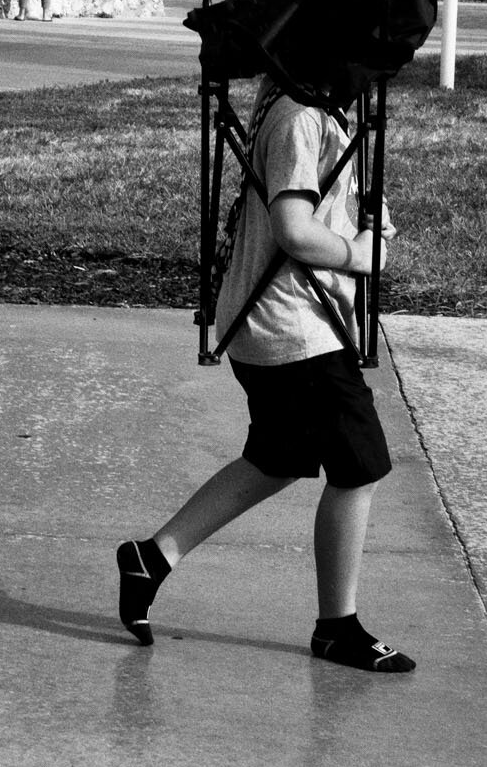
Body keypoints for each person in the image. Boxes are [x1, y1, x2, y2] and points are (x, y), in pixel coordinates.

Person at [115, 81, 413, 674]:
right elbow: (293, 228)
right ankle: (337, 628)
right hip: (293, 325)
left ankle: (151, 558)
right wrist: (358, 254)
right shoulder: (301, 116)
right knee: (361, 464)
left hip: (278, 323)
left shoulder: (311, 108)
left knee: (278, 456)